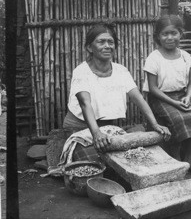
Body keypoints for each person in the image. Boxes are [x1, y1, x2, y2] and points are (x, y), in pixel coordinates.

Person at [61, 24, 170, 164]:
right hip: (80, 127)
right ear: (89, 48)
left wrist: (154, 124)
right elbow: (84, 103)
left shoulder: (121, 71)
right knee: (95, 163)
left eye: (111, 42)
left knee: (128, 160)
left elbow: (138, 99)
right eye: (101, 42)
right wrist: (96, 133)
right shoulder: (81, 72)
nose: (107, 46)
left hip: (108, 128)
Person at [144, 15, 191, 175]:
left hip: (181, 96)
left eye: (174, 33)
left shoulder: (185, 56)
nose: (169, 37)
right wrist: (173, 103)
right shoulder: (154, 58)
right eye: (165, 34)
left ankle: (189, 159)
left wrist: (188, 96)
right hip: (160, 97)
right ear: (158, 36)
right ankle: (176, 160)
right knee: (178, 119)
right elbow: (152, 88)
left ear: (181, 34)